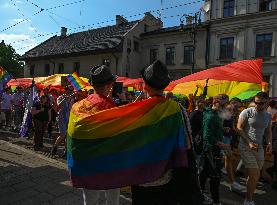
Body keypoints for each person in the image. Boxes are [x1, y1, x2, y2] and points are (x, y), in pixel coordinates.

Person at [131, 60, 203, 205]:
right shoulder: (177, 109)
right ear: (164, 86)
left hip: (141, 176)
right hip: (167, 174)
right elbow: (187, 144)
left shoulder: (137, 109)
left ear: (145, 85)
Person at [81, 65, 120, 205]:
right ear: (110, 85)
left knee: (90, 201)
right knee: (112, 199)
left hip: (88, 163)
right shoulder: (112, 108)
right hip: (110, 163)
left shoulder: (81, 105)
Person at [237, 92, 272, 205]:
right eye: (256, 102)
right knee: (255, 174)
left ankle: (248, 196)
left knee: (254, 175)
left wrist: (270, 143)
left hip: (259, 148)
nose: (258, 105)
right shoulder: (247, 112)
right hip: (245, 146)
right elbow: (239, 128)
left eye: (261, 103)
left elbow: (268, 131)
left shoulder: (268, 116)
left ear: (267, 103)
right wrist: (249, 142)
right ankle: (248, 200)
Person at [199, 94, 230, 205]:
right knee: (215, 177)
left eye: (226, 104)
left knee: (204, 173)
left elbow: (211, 129)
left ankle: (199, 194)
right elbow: (207, 136)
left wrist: (221, 128)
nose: (225, 107)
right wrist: (221, 144)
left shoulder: (212, 113)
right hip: (212, 150)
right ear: (215, 103)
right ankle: (216, 202)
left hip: (211, 149)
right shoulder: (211, 116)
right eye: (223, 104)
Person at [50, 86, 74, 157]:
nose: (71, 92)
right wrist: (65, 99)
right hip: (61, 118)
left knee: (68, 136)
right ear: (66, 90)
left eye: (72, 90)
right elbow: (58, 106)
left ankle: (66, 151)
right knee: (62, 134)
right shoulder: (60, 97)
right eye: (69, 90)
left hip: (68, 118)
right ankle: (54, 148)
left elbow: (71, 108)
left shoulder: (71, 99)